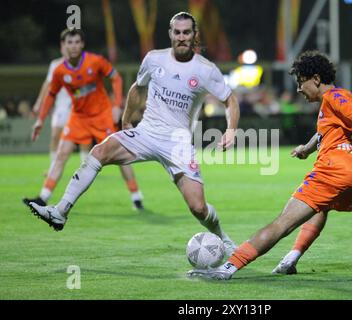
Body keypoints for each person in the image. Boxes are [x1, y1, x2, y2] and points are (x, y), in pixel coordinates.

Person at [25, 12, 240, 256]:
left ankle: (223, 238)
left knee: (198, 208)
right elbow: (138, 88)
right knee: (99, 151)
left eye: (187, 33)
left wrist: (231, 130)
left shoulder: (205, 70)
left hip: (177, 143)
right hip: (147, 132)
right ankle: (60, 211)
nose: (181, 37)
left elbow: (230, 100)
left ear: (194, 35)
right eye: (177, 32)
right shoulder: (154, 59)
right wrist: (127, 118)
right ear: (170, 33)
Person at [187, 50, 352, 280]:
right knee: (321, 207)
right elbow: (326, 131)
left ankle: (226, 269)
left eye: (300, 82)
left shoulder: (335, 97)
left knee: (282, 224)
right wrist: (307, 148)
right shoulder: (336, 101)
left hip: (335, 172)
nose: (298, 88)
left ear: (316, 79)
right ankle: (291, 259)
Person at [23, 28, 144, 213]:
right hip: (78, 117)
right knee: (62, 154)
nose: (73, 46)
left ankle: (136, 198)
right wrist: (40, 120)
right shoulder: (60, 71)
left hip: (102, 116)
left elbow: (116, 78)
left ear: (82, 44)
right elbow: (51, 95)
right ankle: (43, 198)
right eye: (69, 43)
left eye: (77, 42)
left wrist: (116, 106)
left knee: (119, 157)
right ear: (64, 45)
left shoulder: (95, 61)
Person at [32, 40, 91, 170]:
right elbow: (47, 85)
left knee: (84, 138)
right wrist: (38, 103)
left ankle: (85, 168)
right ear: (62, 48)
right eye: (66, 46)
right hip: (62, 106)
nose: (70, 48)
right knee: (55, 136)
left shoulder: (83, 64)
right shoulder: (55, 65)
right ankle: (53, 167)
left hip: (79, 106)